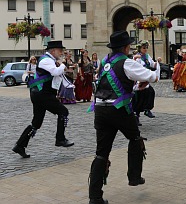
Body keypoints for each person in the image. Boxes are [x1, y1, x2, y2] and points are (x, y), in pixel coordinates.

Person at [88, 31, 158, 204]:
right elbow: (152, 76)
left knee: (101, 153)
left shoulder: (105, 62)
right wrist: (146, 80)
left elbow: (110, 84)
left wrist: (134, 86)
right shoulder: (127, 63)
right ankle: (134, 176)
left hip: (100, 109)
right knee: (135, 138)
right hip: (118, 110)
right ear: (126, 47)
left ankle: (95, 197)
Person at [12, 41, 74, 158]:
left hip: (40, 94)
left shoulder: (49, 60)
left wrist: (62, 67)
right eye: (60, 50)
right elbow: (55, 71)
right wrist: (62, 64)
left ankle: (20, 145)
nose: (61, 53)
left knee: (36, 123)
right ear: (53, 51)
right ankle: (60, 139)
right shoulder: (46, 60)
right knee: (63, 112)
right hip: (42, 94)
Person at [132, 40, 160, 124]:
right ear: (140, 48)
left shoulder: (147, 56)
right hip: (138, 79)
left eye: (146, 48)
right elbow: (134, 67)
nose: (145, 49)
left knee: (150, 92)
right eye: (144, 48)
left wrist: (157, 61)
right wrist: (135, 59)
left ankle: (147, 109)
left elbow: (152, 64)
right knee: (138, 98)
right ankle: (136, 116)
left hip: (145, 78)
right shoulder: (137, 57)